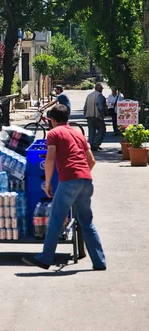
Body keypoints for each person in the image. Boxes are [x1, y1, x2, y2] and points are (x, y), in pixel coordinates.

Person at [22, 104, 106, 271]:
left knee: (55, 219)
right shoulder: (78, 134)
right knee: (86, 222)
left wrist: (47, 183)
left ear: (52, 120)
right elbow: (92, 161)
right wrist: (81, 176)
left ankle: (45, 258)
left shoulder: (54, 133)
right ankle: (99, 262)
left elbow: (50, 159)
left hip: (69, 180)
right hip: (86, 180)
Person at [83, 83, 107, 151]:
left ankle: (91, 144)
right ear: (100, 89)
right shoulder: (100, 96)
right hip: (96, 116)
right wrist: (103, 114)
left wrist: (85, 114)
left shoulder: (89, 95)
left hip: (89, 115)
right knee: (102, 130)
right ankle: (96, 143)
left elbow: (85, 106)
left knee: (91, 130)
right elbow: (100, 106)